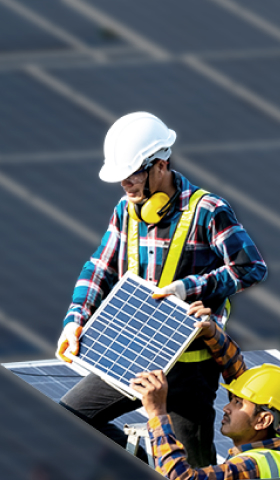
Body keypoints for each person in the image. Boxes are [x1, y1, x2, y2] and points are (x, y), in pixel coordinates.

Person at [56, 111, 267, 467]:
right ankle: (138, 459)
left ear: (161, 164)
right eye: (121, 177)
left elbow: (250, 268)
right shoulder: (126, 209)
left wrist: (189, 288)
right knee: (71, 417)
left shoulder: (207, 210)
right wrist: (75, 319)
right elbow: (100, 267)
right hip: (132, 353)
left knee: (193, 469)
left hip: (190, 368)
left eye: (133, 174)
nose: (126, 184)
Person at [131, 302, 280, 479]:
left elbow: (180, 478)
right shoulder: (270, 448)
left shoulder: (251, 465)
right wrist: (212, 333)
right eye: (233, 399)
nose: (226, 407)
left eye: (238, 403)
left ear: (263, 420)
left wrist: (157, 413)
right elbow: (238, 374)